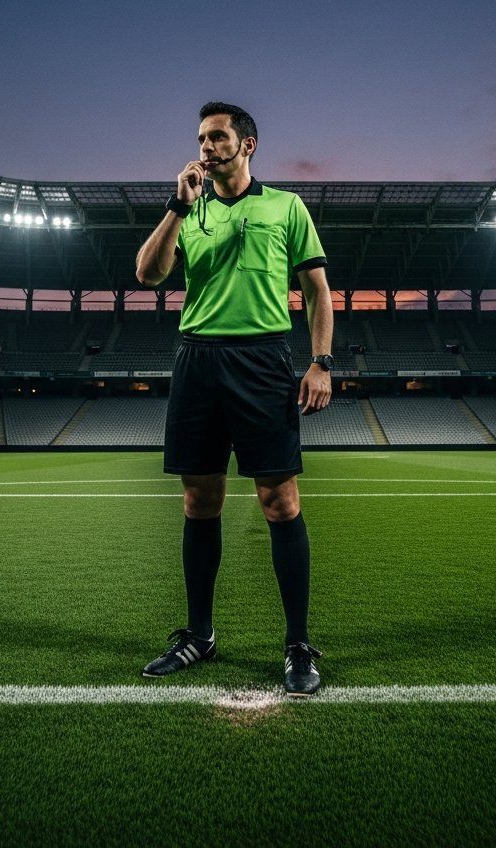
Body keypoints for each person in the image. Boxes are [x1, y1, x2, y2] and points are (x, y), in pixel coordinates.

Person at [134, 101, 333, 696]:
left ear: (247, 144)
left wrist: (321, 362)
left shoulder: (285, 206)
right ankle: (199, 635)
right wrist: (177, 206)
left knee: (279, 500)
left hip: (263, 359)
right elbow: (148, 274)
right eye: (200, 137)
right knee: (199, 500)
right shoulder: (187, 212)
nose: (206, 146)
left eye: (217, 137)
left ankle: (298, 645)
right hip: (197, 357)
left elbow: (318, 291)